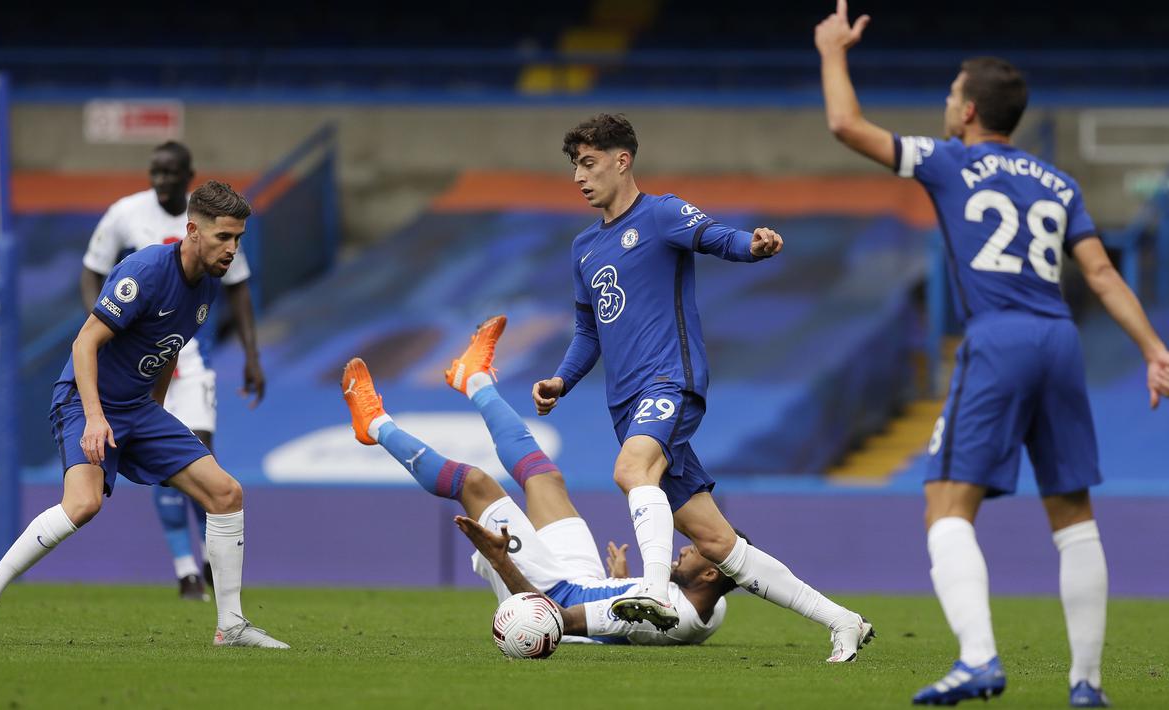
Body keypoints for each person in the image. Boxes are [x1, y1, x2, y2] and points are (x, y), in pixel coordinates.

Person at [815, 2, 1169, 705]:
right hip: (1059, 338)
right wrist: (1154, 348)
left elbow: (846, 126)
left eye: (952, 93)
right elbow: (1100, 273)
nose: (947, 103)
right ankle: (1086, 684)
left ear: (970, 111)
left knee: (946, 505)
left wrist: (831, 51)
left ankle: (978, 659)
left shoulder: (948, 160)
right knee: (1073, 513)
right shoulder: (1059, 183)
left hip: (999, 337)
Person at [528, 113, 873, 660]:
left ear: (623, 161)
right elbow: (588, 331)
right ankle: (843, 621)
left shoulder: (661, 213)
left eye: (589, 163)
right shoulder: (584, 248)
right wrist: (561, 380)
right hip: (627, 404)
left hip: (670, 380)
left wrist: (753, 245)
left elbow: (715, 236)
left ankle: (652, 590)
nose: (579, 177)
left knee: (630, 471)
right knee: (718, 543)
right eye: (575, 166)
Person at [0, 181, 288, 649]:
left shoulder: (208, 283)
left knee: (226, 493)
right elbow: (85, 343)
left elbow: (169, 347)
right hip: (85, 400)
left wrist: (156, 412)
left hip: (137, 407)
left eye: (238, 238)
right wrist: (95, 418)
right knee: (83, 505)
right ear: (193, 231)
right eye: (224, 237)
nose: (232, 249)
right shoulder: (145, 272)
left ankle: (230, 625)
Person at [342, 316, 736, 645]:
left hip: (550, 594)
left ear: (710, 574)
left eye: (699, 550)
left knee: (476, 483)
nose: (689, 546)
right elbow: (633, 626)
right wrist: (621, 585)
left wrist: (501, 560)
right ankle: (473, 378)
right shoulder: (711, 606)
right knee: (545, 478)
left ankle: (374, 425)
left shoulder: (672, 618)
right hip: (586, 582)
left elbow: (559, 618)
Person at [80, 141, 265, 601]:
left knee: (198, 455)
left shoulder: (219, 226)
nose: (160, 180)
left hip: (188, 356)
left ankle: (209, 560)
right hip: (140, 358)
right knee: (159, 470)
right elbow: (92, 270)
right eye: (155, 171)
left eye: (169, 172)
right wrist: (107, 323)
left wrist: (252, 355)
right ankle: (186, 571)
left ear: (188, 176)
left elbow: (239, 287)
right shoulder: (125, 214)